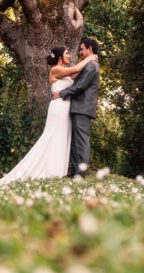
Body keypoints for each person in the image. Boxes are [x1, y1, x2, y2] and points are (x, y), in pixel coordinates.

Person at [0, 46, 98, 185]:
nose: (70, 56)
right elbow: (75, 70)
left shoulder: (64, 73)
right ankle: (48, 169)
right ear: (60, 57)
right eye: (67, 54)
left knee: (63, 137)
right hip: (59, 107)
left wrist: (89, 60)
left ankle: (59, 170)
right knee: (54, 135)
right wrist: (90, 58)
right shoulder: (55, 70)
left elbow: (76, 74)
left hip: (66, 108)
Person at [51, 38, 100, 177]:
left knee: (81, 141)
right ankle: (75, 172)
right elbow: (74, 74)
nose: (80, 52)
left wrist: (61, 93)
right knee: (75, 142)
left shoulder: (91, 65)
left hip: (83, 108)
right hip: (78, 107)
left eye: (82, 49)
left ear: (90, 49)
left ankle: (80, 173)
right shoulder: (88, 64)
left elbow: (80, 86)